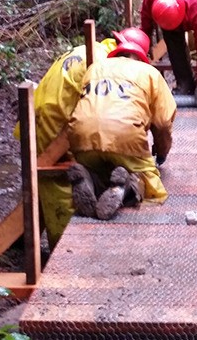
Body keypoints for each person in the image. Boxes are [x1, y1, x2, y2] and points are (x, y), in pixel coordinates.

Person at [13, 36, 116, 249]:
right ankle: (65, 250)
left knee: (57, 178)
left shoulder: (89, 49)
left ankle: (40, 239)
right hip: (53, 122)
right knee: (60, 184)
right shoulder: (103, 65)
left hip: (41, 111)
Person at [67, 27, 176, 220]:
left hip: (81, 136)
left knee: (99, 167)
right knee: (149, 184)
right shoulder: (150, 73)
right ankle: (125, 188)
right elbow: (163, 123)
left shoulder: (95, 68)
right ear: (142, 54)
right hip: (125, 136)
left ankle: (89, 176)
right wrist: (161, 151)